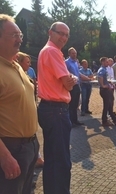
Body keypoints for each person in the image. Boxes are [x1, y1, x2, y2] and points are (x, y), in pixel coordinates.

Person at [0, 14, 39, 194]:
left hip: (29, 146)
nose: (19, 40)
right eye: (14, 35)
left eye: (20, 35)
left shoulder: (16, 66)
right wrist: (4, 157)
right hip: (11, 149)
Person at [37, 21, 77, 194]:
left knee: (53, 160)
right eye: (60, 33)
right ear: (50, 32)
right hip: (56, 111)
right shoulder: (53, 51)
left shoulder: (46, 51)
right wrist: (72, 80)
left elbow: (67, 79)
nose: (64, 38)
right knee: (61, 162)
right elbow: (67, 84)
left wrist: (71, 78)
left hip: (50, 110)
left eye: (66, 35)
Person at [16, 52, 44, 168]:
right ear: (20, 62)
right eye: (27, 62)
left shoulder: (30, 71)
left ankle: (36, 159)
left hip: (31, 107)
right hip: (20, 118)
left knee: (33, 137)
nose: (29, 64)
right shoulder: (16, 74)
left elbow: (35, 82)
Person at [65, 47, 90, 126]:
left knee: (76, 104)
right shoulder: (66, 62)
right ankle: (71, 122)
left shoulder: (76, 62)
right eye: (72, 53)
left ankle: (75, 120)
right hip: (72, 86)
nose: (74, 54)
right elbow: (66, 74)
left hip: (77, 85)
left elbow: (78, 74)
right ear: (69, 54)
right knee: (71, 105)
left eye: (75, 53)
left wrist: (88, 78)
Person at [98, 57, 116, 126]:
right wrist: (103, 85)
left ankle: (112, 119)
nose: (107, 63)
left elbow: (107, 79)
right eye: (106, 62)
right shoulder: (102, 69)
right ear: (102, 62)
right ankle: (105, 121)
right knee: (107, 105)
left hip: (107, 89)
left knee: (109, 104)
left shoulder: (104, 69)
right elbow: (100, 77)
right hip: (104, 90)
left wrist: (111, 84)